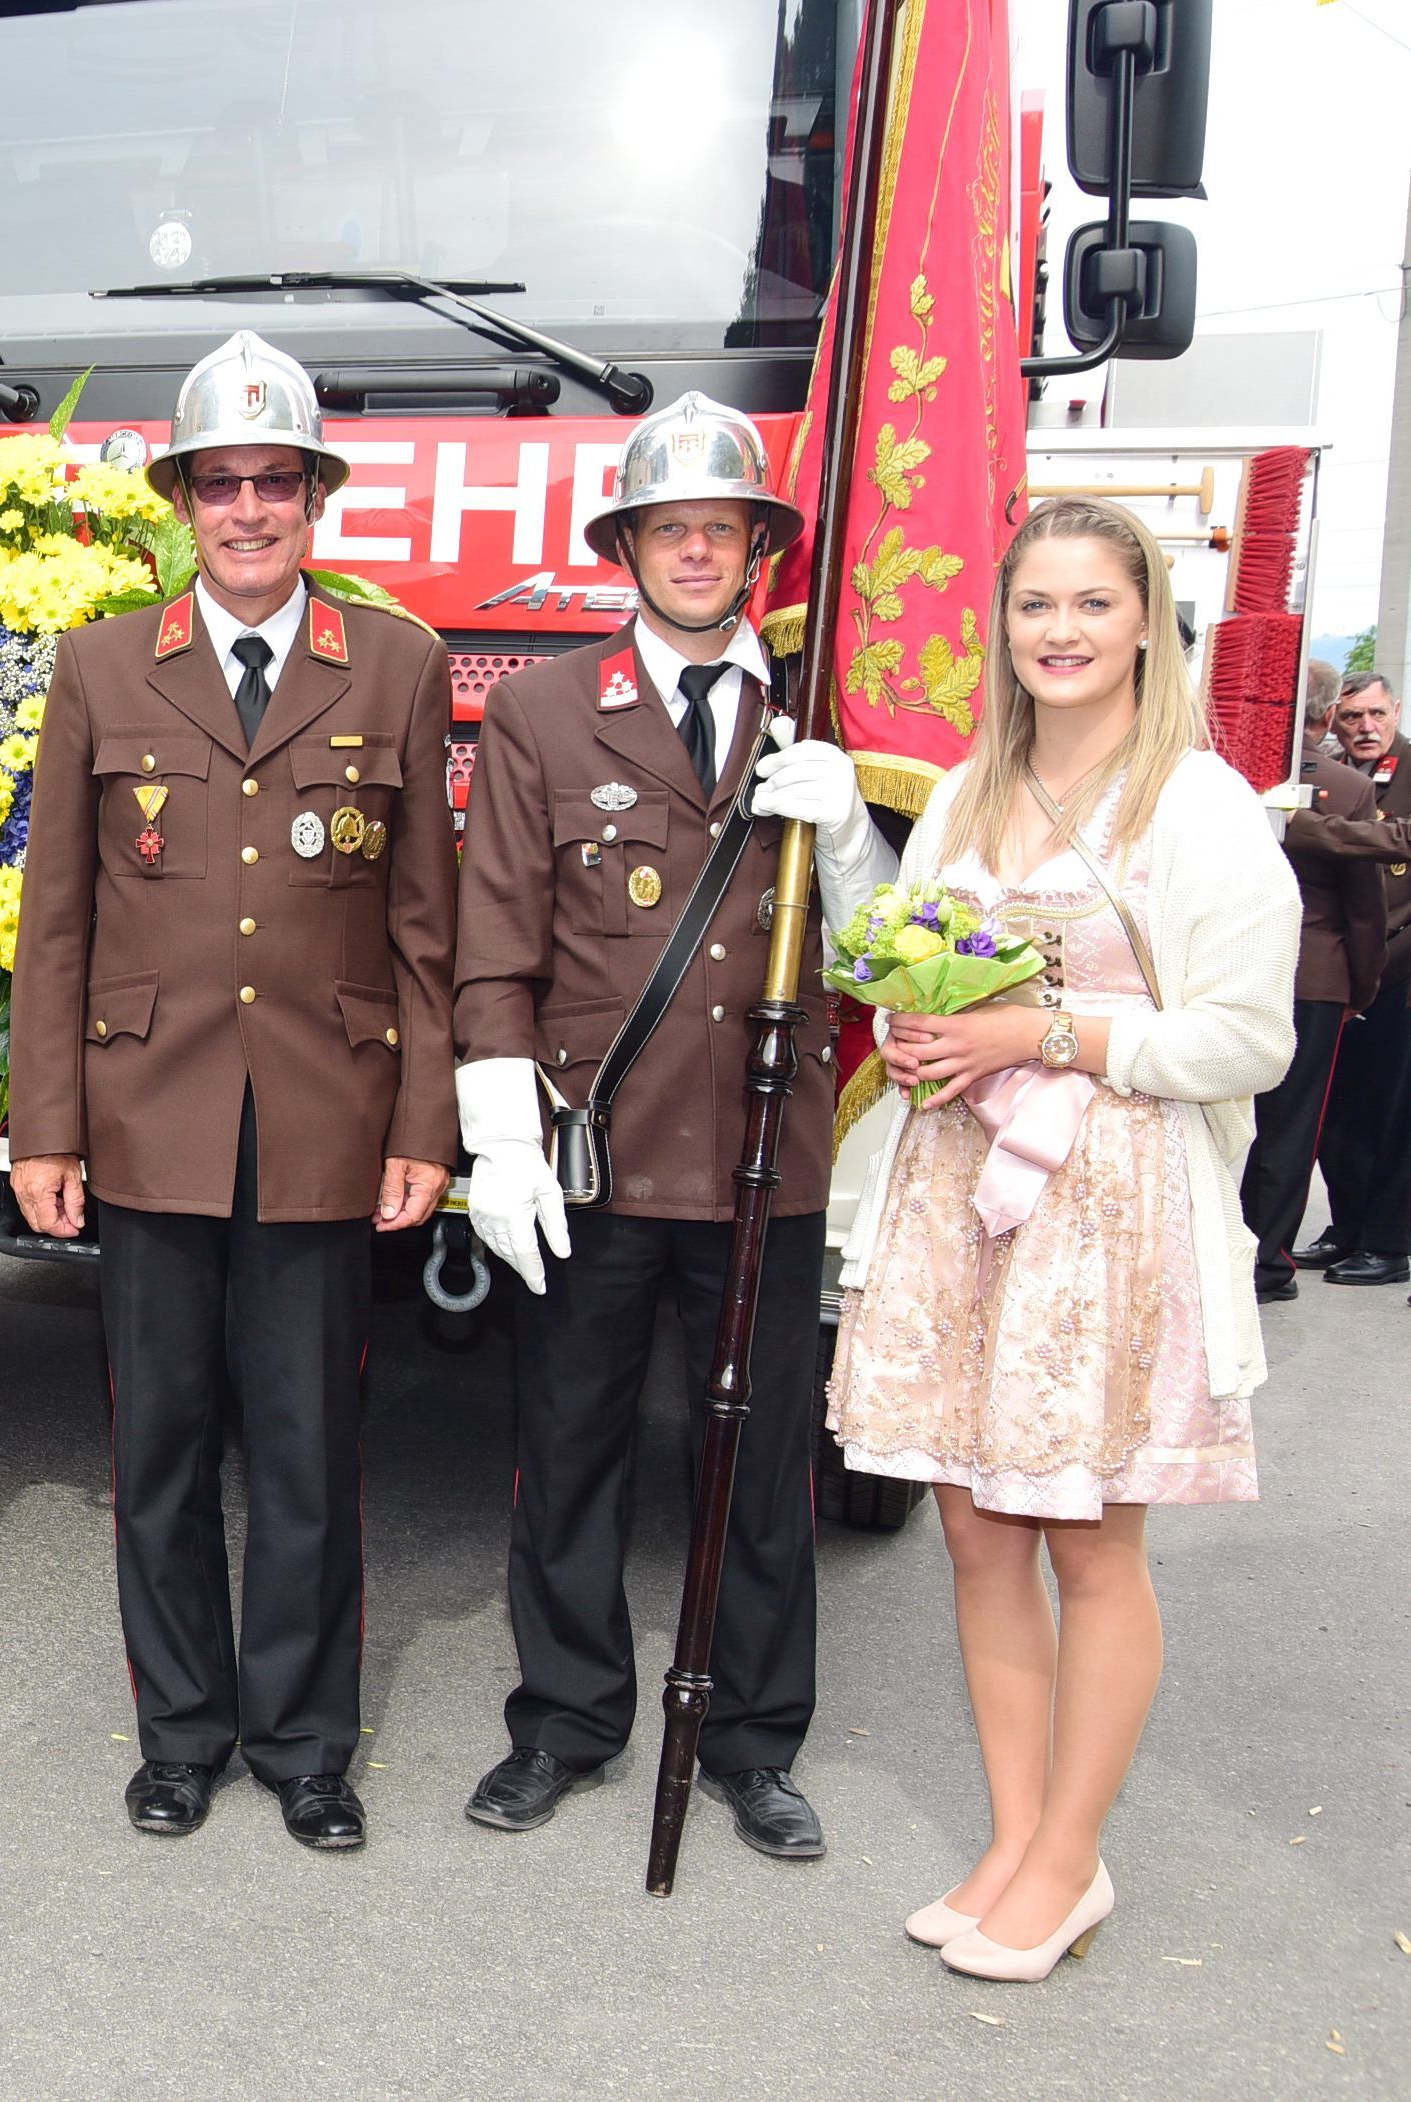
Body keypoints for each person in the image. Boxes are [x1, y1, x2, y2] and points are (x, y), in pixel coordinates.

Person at [830, 498, 1298, 1981]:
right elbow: (903, 949)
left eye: (1093, 604)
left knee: (1090, 1537)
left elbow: (1245, 1038)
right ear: (1004, 627)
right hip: (961, 1201)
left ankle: (1069, 1854)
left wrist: (1046, 1027)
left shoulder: (1201, 808)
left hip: (1106, 1210)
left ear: (1147, 621)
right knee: (975, 1528)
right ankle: (1016, 1836)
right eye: (1035, 605)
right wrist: (915, 1033)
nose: (1062, 632)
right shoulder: (973, 788)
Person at [7, 331, 457, 1851]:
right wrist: (45, 1125)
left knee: (307, 1455)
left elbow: (422, 925)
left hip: (329, 1121)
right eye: (222, 484)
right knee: (159, 1454)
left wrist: (423, 1125)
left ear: (312, 497)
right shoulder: (101, 663)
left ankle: (306, 1745)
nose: (249, 509)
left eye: (276, 481)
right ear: (183, 503)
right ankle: (180, 1733)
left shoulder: (392, 664)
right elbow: (54, 917)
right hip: (146, 1119)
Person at [451, 391, 893, 1861]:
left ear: (757, 549)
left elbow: (897, 952)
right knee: (565, 1451)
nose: (694, 549)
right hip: (597, 1151)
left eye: (721, 526)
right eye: (668, 526)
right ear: (627, 545)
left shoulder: (823, 723)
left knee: (757, 1467)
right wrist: (498, 1136)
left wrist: (847, 829)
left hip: (764, 1161)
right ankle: (567, 1720)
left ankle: (752, 1742)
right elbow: (495, 940)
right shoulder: (541, 710)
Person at [1241, 661, 1385, 1302]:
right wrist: (1364, 982)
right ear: (1328, 716)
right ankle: (1267, 1261)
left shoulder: (1225, 774)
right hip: (1312, 976)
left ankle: (1217, 1247)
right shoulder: (1347, 786)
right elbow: (1364, 905)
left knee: (1227, 1111)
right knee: (1291, 1123)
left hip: (1233, 964)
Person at [1291, 672, 1411, 1284]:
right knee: (1339, 1111)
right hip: (1352, 965)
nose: (1366, 728)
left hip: (1402, 968)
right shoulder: (1328, 774)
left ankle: (1388, 1242)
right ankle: (1347, 1226)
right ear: (1334, 719)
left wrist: (1308, 827)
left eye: (1377, 716)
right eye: (1353, 718)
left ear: (1395, 712)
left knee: (1393, 1114)